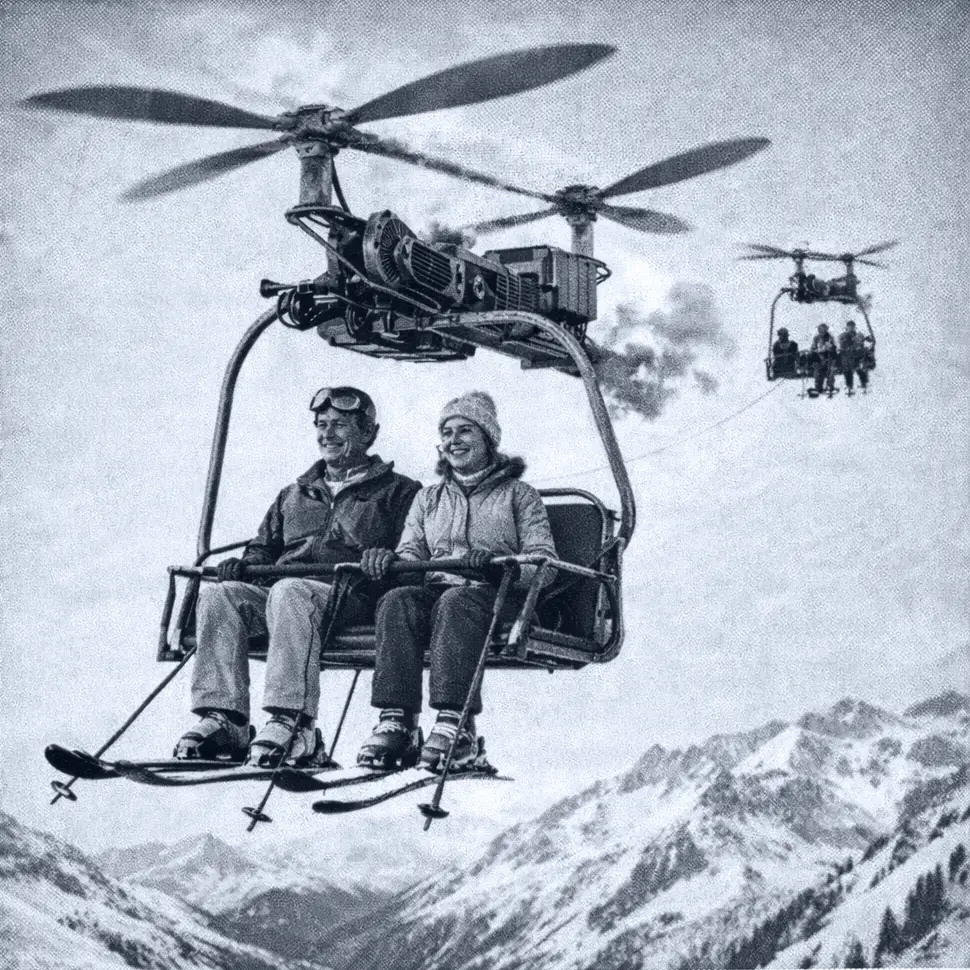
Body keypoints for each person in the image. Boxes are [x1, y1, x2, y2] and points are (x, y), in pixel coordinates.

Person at [174, 387, 421, 767]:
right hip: (286, 598)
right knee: (219, 594)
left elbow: (413, 550)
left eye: (339, 425)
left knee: (290, 591)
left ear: (368, 433)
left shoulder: (398, 491)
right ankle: (227, 719)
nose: (327, 434)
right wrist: (243, 567)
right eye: (321, 425)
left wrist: (386, 558)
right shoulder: (294, 494)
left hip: (352, 596)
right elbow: (263, 550)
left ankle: (294, 722)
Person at [355, 391, 557, 771]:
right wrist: (389, 561)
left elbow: (545, 563)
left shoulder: (519, 496)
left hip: (496, 596)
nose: (453, 441)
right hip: (439, 591)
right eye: (446, 433)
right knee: (398, 600)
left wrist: (498, 569)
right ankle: (398, 721)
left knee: (456, 603)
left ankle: (455, 724)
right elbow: (412, 553)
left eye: (465, 431)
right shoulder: (429, 498)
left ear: (488, 438)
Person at [838, 320, 872, 393]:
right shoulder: (844, 335)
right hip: (847, 356)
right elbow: (842, 345)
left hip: (856, 356)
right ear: (847, 327)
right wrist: (850, 345)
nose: (851, 328)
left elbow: (862, 344)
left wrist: (867, 338)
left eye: (852, 326)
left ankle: (864, 384)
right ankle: (849, 386)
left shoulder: (858, 335)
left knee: (860, 369)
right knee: (848, 370)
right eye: (850, 326)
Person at [810, 323, 839, 395]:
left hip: (829, 357)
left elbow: (834, 348)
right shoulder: (816, 338)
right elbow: (813, 347)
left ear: (826, 330)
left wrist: (829, 347)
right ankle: (818, 388)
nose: (821, 331)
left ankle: (830, 387)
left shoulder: (830, 337)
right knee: (818, 374)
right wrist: (816, 350)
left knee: (830, 373)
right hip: (819, 358)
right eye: (819, 329)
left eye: (823, 330)